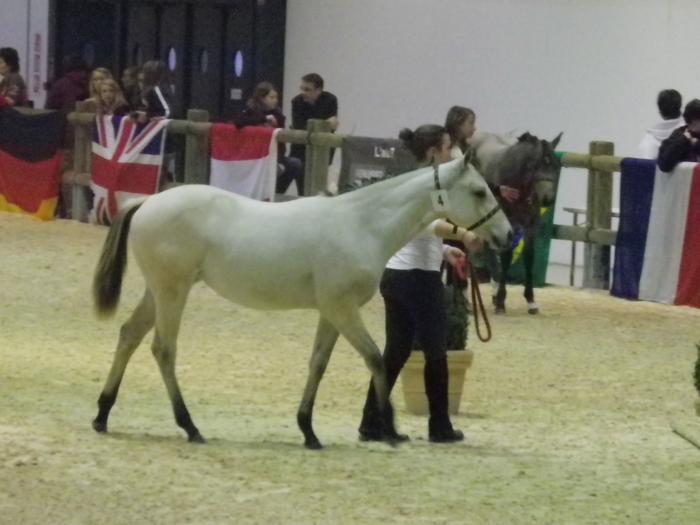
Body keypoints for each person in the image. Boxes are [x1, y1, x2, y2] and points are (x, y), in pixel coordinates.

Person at [358, 124, 483, 444]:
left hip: (398, 273)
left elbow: (416, 230)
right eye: (445, 148)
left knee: (396, 352)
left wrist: (446, 250)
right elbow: (428, 222)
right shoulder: (425, 182)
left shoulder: (413, 181)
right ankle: (439, 425)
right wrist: (463, 234)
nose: (450, 153)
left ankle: (372, 422)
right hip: (418, 278)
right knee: (435, 352)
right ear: (432, 152)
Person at [445, 105, 519, 203]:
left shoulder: (469, 150)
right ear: (458, 123)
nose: (474, 128)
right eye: (471, 123)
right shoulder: (446, 150)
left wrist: (497, 189)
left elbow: (477, 179)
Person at [240, 81, 303, 195]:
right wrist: (264, 119)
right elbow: (240, 123)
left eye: (276, 97)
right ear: (261, 98)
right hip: (254, 154)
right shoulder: (250, 112)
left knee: (295, 164)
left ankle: (277, 192)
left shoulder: (278, 114)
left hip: (275, 153)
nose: (275, 100)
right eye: (271, 97)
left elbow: (280, 135)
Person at [289, 73, 338, 170]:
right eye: (302, 89)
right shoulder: (296, 101)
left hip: (323, 147)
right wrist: (325, 124)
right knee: (302, 181)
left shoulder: (330, 100)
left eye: (307, 90)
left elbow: (332, 125)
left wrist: (330, 124)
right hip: (300, 148)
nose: (303, 92)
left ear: (318, 90)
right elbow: (298, 126)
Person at [638, 89, 684, 159]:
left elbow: (643, 165)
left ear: (660, 112)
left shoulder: (648, 140)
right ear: (680, 107)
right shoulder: (692, 133)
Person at [657, 99, 700, 172]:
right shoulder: (678, 135)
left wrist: (696, 144)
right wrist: (684, 139)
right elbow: (664, 164)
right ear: (694, 121)